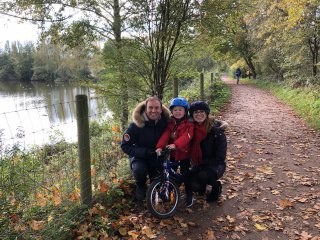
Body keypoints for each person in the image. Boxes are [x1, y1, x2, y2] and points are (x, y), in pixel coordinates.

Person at [121, 96, 170, 201]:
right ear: (145, 108)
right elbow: (125, 146)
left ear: (161, 109)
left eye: (157, 108)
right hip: (140, 157)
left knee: (160, 179)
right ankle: (141, 186)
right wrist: (144, 152)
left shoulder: (165, 122)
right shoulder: (136, 125)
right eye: (150, 108)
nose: (153, 111)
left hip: (157, 156)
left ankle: (155, 188)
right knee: (139, 170)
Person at [156, 97, 194, 207]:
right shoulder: (171, 123)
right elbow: (166, 135)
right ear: (172, 111)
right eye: (175, 110)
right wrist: (159, 146)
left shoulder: (189, 124)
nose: (177, 112)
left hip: (184, 154)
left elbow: (187, 137)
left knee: (185, 174)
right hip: (172, 154)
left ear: (185, 111)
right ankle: (171, 189)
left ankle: (189, 195)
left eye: (180, 110)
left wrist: (175, 144)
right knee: (170, 172)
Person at [189, 101, 228, 202]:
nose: (199, 114)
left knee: (203, 175)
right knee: (193, 184)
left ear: (206, 113)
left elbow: (220, 157)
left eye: (202, 111)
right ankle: (202, 186)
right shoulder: (191, 130)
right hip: (198, 163)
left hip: (215, 165)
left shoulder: (216, 131)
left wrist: (201, 163)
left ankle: (216, 187)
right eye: (195, 112)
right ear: (192, 115)